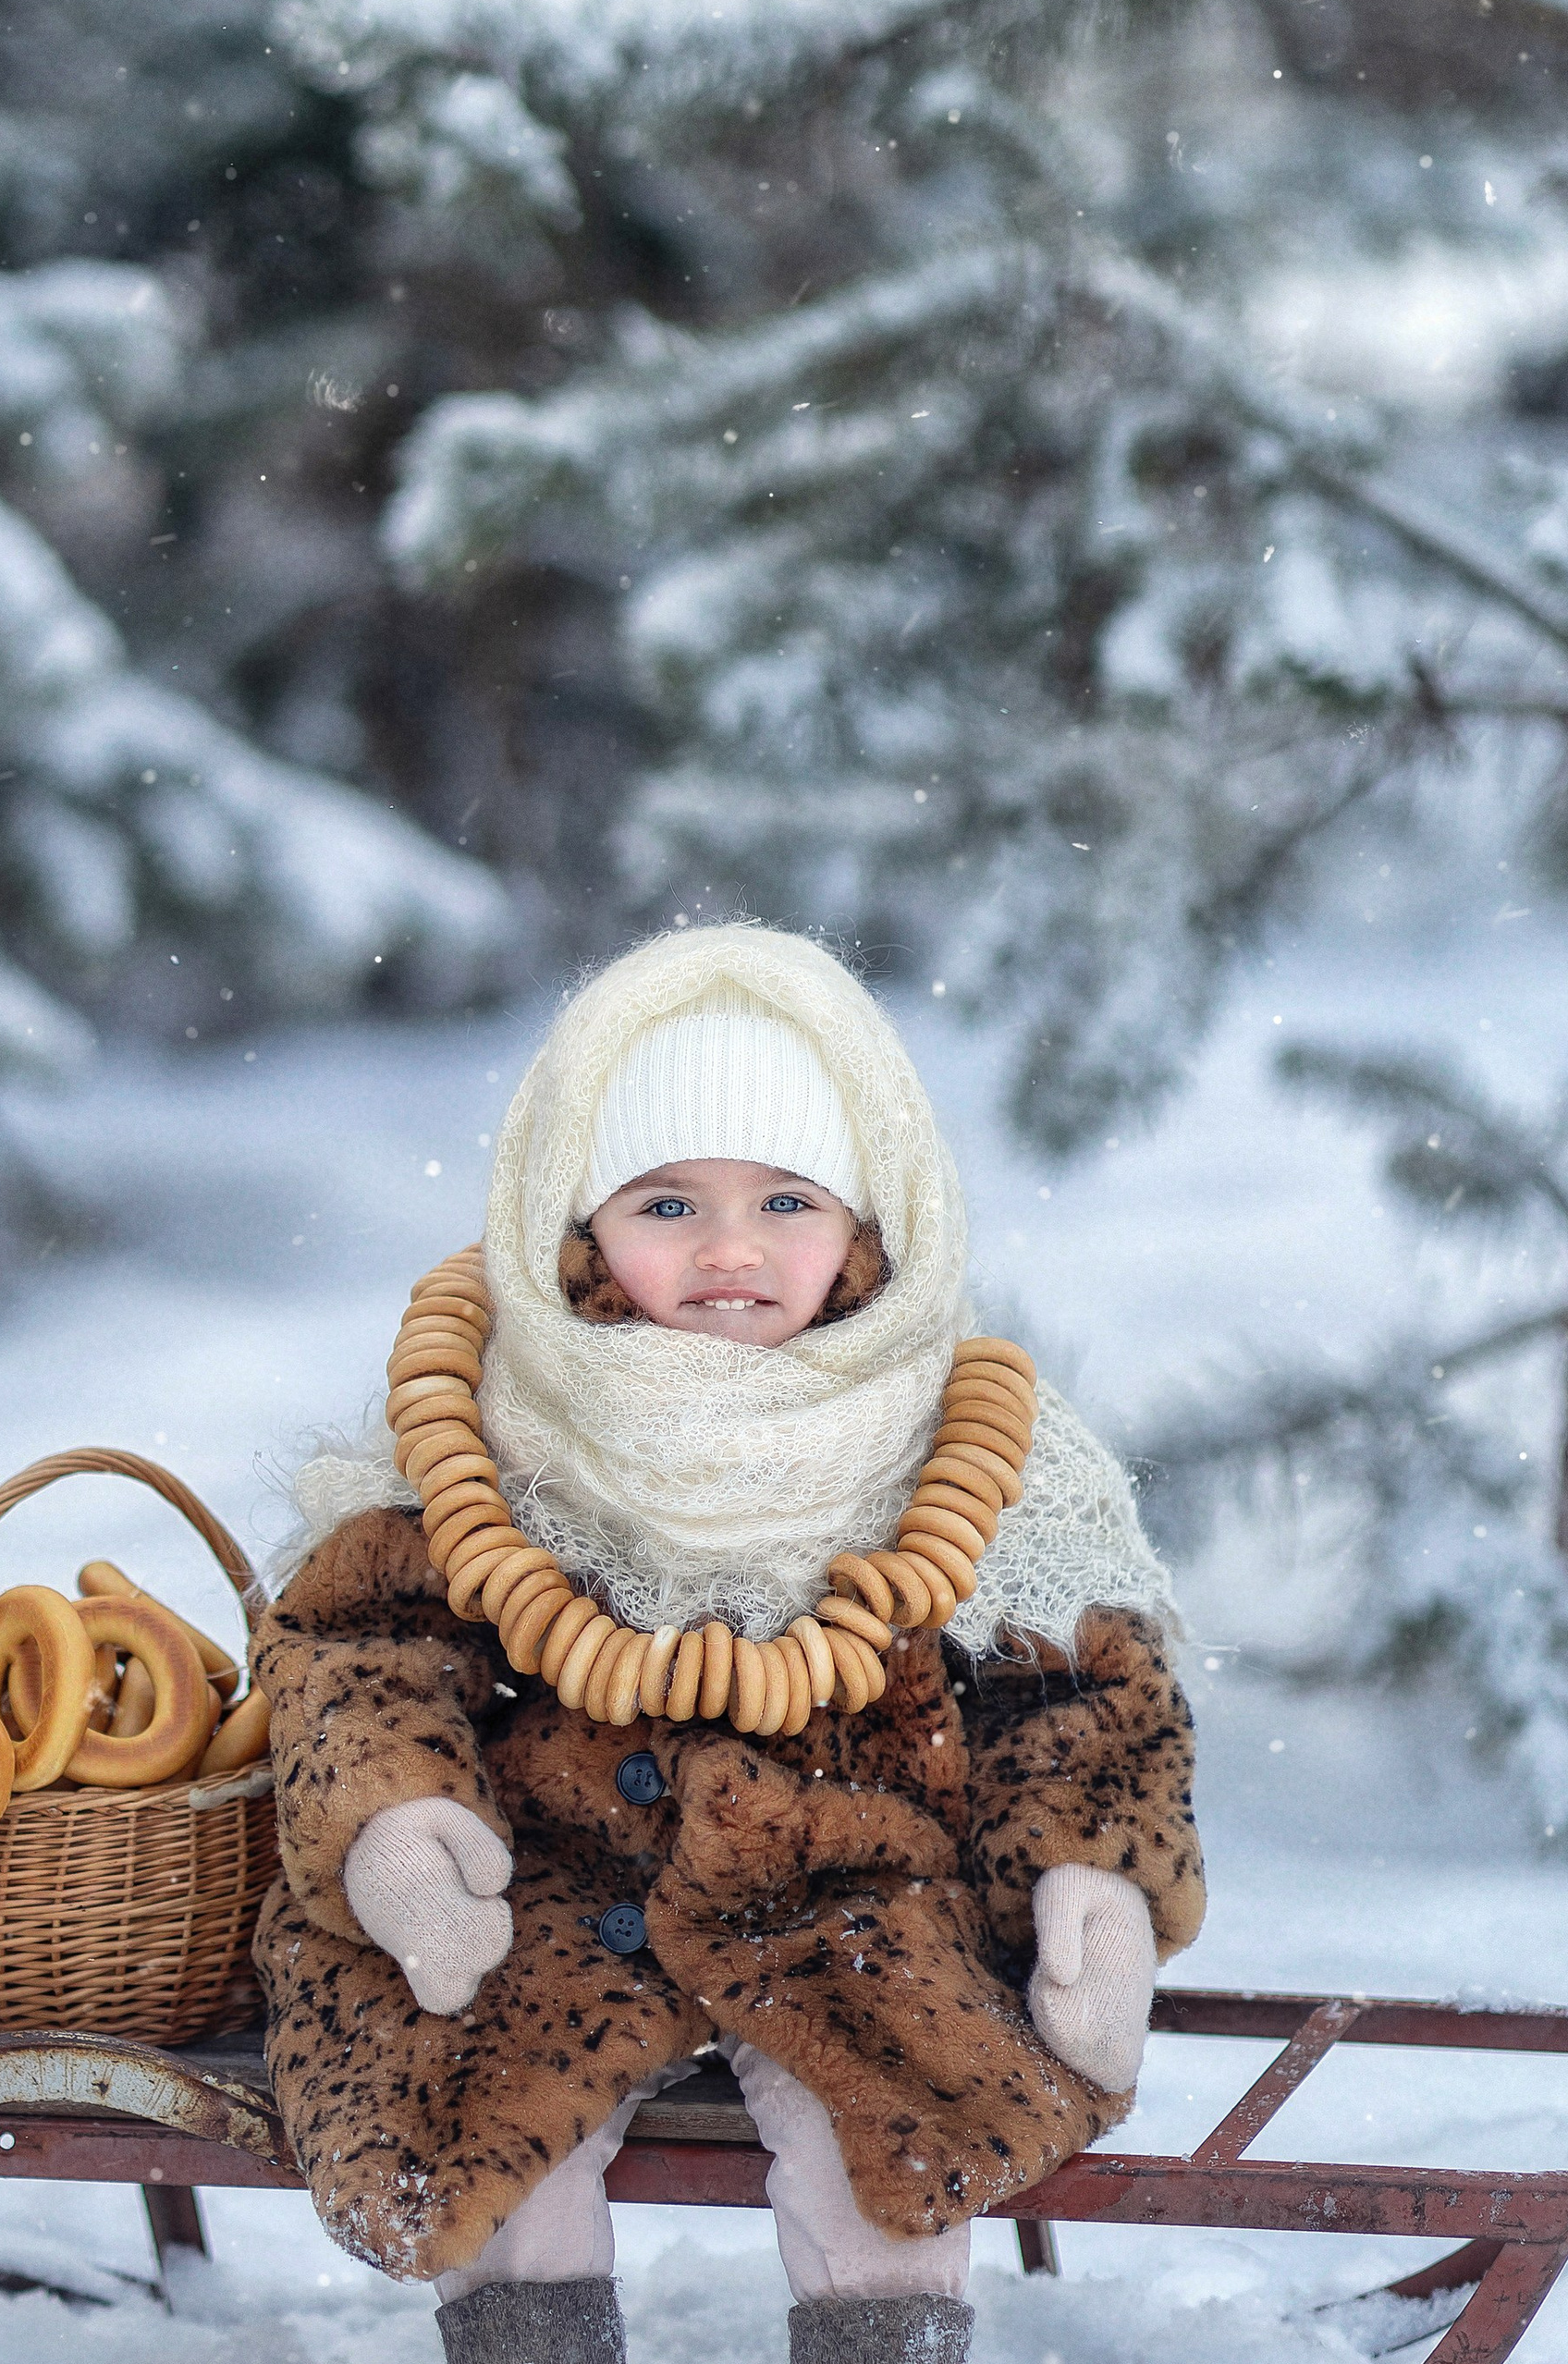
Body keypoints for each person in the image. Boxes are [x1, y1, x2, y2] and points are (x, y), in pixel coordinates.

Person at [251, 925, 1205, 2364]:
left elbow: (1067, 1683)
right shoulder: (508, 1412)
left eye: (784, 1199)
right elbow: (365, 1642)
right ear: (579, 1227)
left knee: (893, 2146)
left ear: (870, 1225)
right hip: (551, 1872)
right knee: (479, 2124)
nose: (731, 1250)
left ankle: (885, 2340)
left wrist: (1094, 1879)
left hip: (851, 1879)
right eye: (666, 1203)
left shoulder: (954, 1428)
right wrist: (399, 1821)